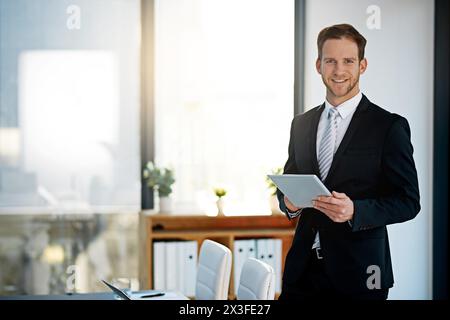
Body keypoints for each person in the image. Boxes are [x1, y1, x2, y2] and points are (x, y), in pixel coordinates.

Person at [277, 24, 420, 300]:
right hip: (302, 272)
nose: (339, 70)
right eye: (330, 61)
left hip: (362, 274)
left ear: (362, 65)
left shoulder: (388, 126)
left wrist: (355, 210)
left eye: (348, 61)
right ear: (318, 65)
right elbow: (289, 183)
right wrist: (289, 203)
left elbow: (409, 201)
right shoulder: (301, 125)